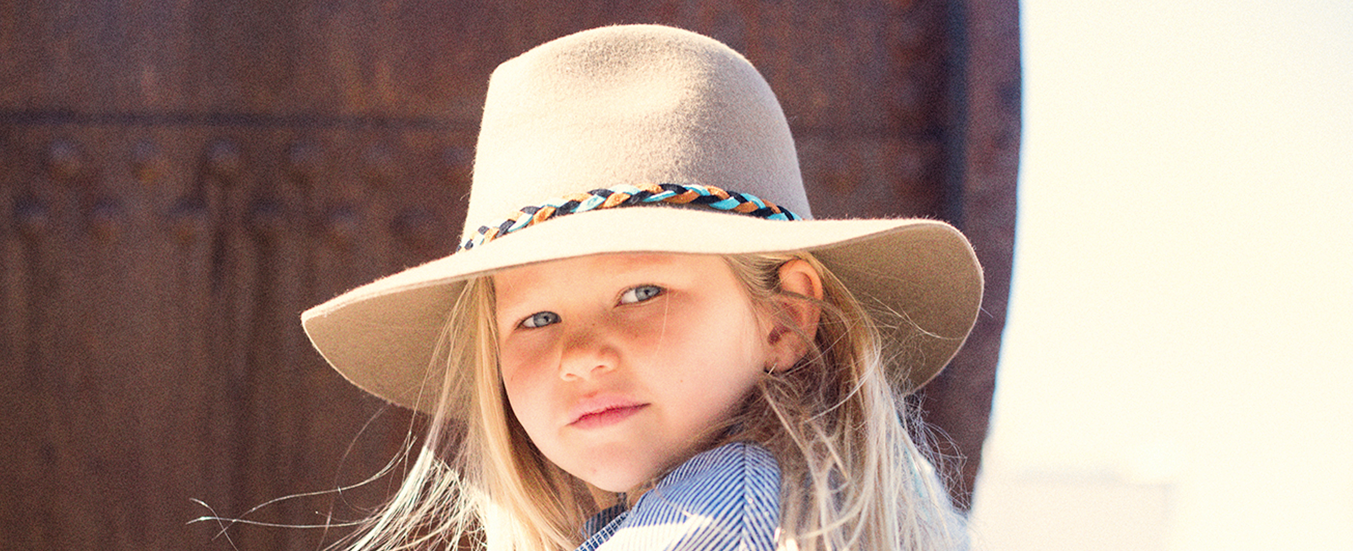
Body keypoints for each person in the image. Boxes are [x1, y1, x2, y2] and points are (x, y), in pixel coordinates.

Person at [301, 24, 983, 551]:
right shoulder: (799, 510)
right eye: (538, 318)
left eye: (639, 293)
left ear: (784, 316)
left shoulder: (712, 515)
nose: (581, 354)